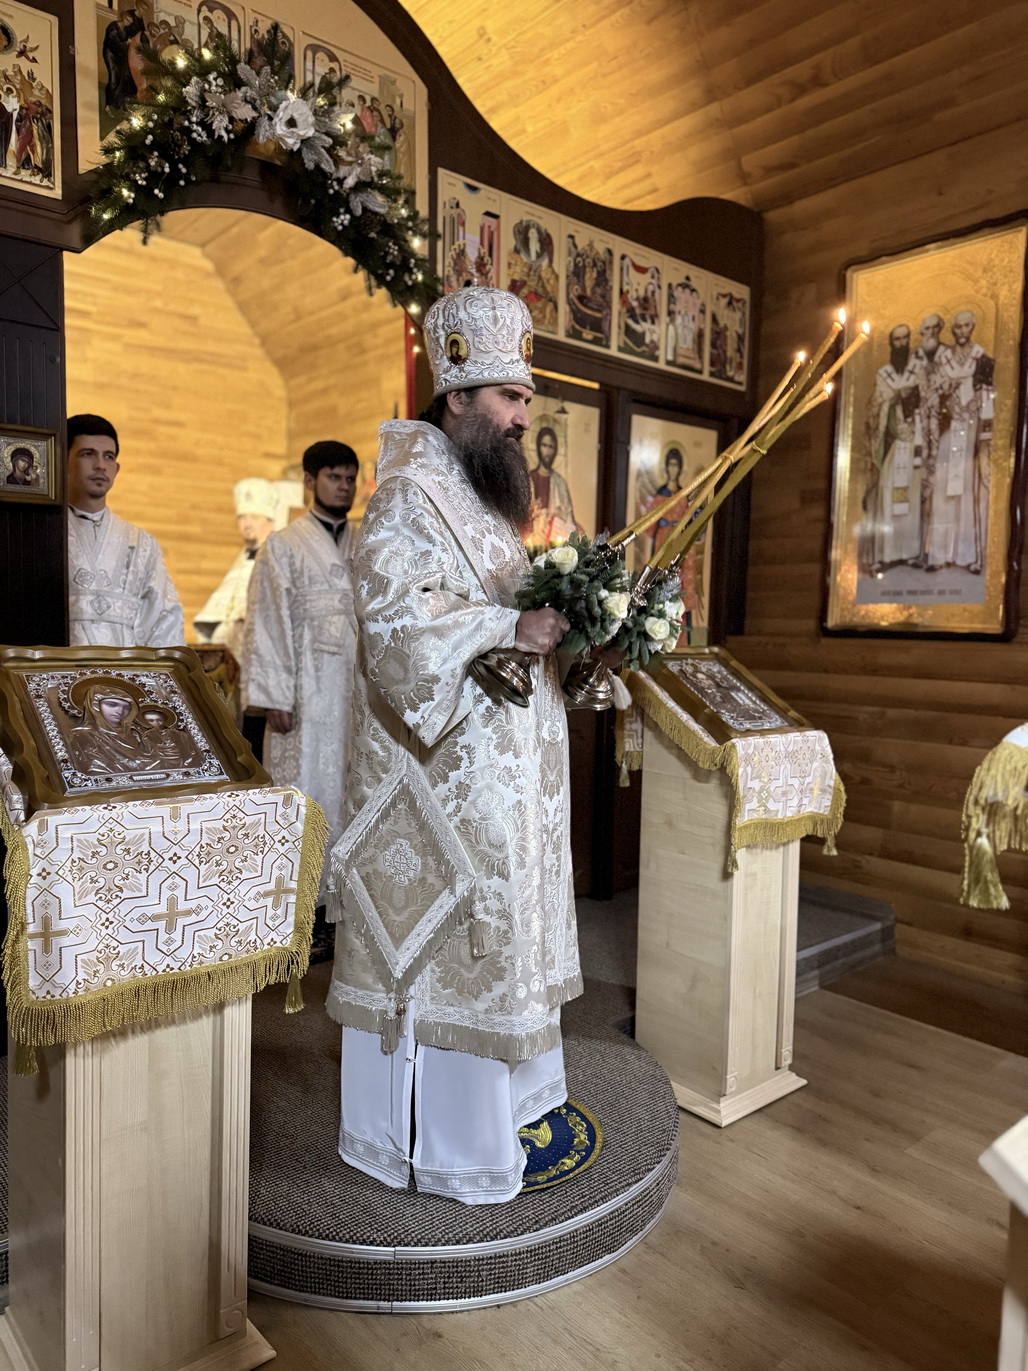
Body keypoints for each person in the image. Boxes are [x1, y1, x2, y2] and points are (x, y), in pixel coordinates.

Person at [327, 285, 582, 1204]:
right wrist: (511, 628)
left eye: (526, 397)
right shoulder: (407, 496)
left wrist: (575, 631)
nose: (523, 416)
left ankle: (515, 1108)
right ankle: (448, 1144)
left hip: (503, 783)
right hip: (441, 790)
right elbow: (396, 627)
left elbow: (509, 618)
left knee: (510, 939)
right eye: (510, 397)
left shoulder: (485, 503)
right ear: (460, 395)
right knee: (461, 946)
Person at [242, 440, 359, 864]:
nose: (343, 486)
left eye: (350, 479)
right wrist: (275, 696)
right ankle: (300, 890)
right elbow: (268, 617)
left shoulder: (367, 542)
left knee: (355, 784)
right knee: (305, 782)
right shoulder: (284, 544)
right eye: (334, 477)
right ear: (310, 481)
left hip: (356, 685)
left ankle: (345, 891)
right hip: (305, 689)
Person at [66, 414, 184, 648]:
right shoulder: (41, 534)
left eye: (109, 457)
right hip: (58, 668)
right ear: (63, 460)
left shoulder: (141, 544)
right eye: (88, 454)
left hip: (126, 671)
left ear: (116, 469)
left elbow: (163, 622)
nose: (100, 465)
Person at [925, 309, 995, 573]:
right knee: (943, 489)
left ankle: (968, 555)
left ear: (973, 327)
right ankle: (940, 554)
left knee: (969, 490)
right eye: (958, 327)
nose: (962, 331)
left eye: (967, 326)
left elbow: (988, 394)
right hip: (948, 428)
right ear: (952, 330)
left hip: (971, 430)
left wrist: (971, 408)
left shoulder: (982, 358)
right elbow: (933, 394)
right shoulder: (943, 360)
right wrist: (948, 405)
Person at [193, 477, 281, 662]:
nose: (247, 524)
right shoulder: (241, 560)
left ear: (271, 522)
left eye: (254, 517)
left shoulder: (279, 558)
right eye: (242, 517)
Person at [863, 323, 923, 572]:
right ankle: (885, 554)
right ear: (891, 344)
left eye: (905, 339)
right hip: (892, 445)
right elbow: (873, 410)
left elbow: (928, 404)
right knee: (887, 496)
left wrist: (913, 398)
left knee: (912, 499)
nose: (901, 343)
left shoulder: (918, 371)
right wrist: (893, 400)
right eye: (897, 339)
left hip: (913, 443)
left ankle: (908, 553)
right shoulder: (883, 375)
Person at [528, 422, 576, 546]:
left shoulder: (560, 483)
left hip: (555, 544)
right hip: (532, 542)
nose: (547, 451)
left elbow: (569, 518)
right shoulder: (528, 479)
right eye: (544, 445)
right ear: (538, 447)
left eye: (551, 446)